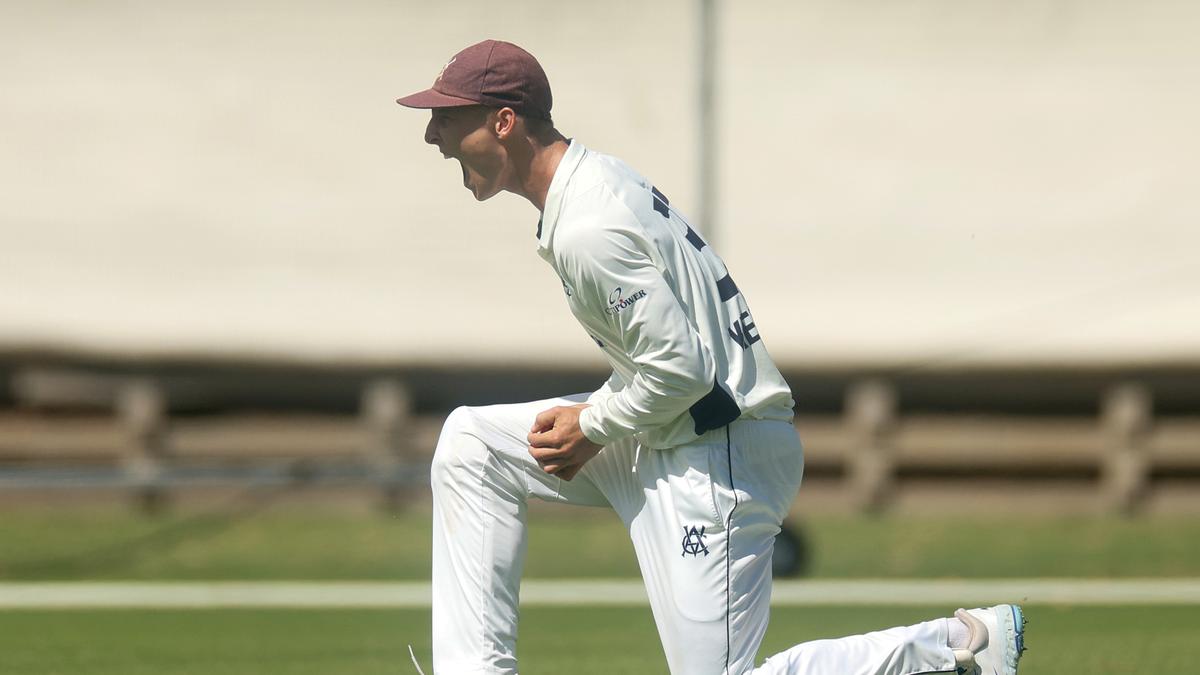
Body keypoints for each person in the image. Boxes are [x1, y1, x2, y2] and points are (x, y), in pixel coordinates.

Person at [396, 39, 1026, 675]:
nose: (432, 135)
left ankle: (960, 649)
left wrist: (590, 425)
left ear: (504, 123)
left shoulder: (588, 225)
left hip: (721, 451)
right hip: (666, 430)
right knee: (471, 446)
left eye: (448, 117)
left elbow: (682, 371)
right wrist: (600, 423)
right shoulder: (593, 183)